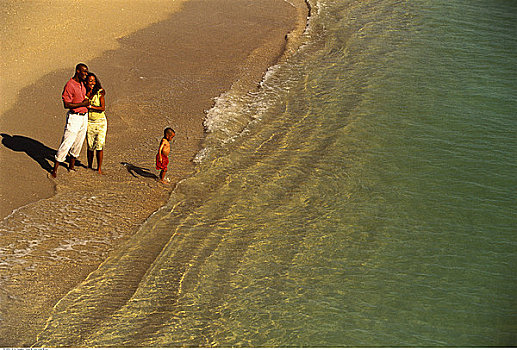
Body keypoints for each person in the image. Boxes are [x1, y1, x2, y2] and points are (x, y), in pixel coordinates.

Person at [51, 63, 90, 177]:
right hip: (74, 117)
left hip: (84, 117)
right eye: (84, 72)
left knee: (79, 142)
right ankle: (55, 169)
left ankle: (71, 167)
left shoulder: (82, 84)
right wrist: (83, 104)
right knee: (67, 141)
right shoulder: (70, 85)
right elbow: (66, 104)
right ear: (78, 71)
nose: (86, 74)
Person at [85, 72, 107, 174]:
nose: (92, 83)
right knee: (90, 146)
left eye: (94, 81)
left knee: (99, 145)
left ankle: (99, 168)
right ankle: (89, 166)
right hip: (89, 121)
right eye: (90, 81)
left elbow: (102, 108)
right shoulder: (84, 92)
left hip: (100, 122)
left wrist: (90, 107)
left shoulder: (100, 92)